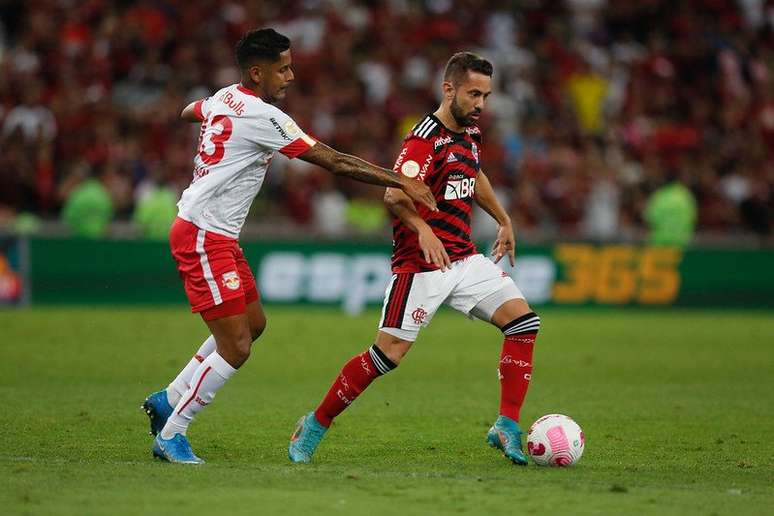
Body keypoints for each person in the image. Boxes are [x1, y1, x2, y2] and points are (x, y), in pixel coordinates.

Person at [142, 28, 436, 465]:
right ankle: (173, 432)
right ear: (257, 73)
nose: (291, 76)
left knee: (253, 325)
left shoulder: (224, 96)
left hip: (218, 234)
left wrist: (210, 122)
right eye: (284, 69)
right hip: (203, 235)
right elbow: (335, 161)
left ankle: (169, 398)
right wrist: (401, 179)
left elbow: (192, 110)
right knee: (236, 347)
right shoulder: (265, 117)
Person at [288, 52, 540, 465]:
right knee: (386, 355)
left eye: (486, 96)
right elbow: (394, 193)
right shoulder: (423, 139)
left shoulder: (470, 132)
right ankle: (315, 423)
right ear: (449, 89)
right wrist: (423, 229)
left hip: (463, 258)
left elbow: (473, 175)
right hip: (421, 266)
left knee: (523, 323)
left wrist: (503, 219)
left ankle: (507, 426)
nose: (480, 104)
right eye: (473, 93)